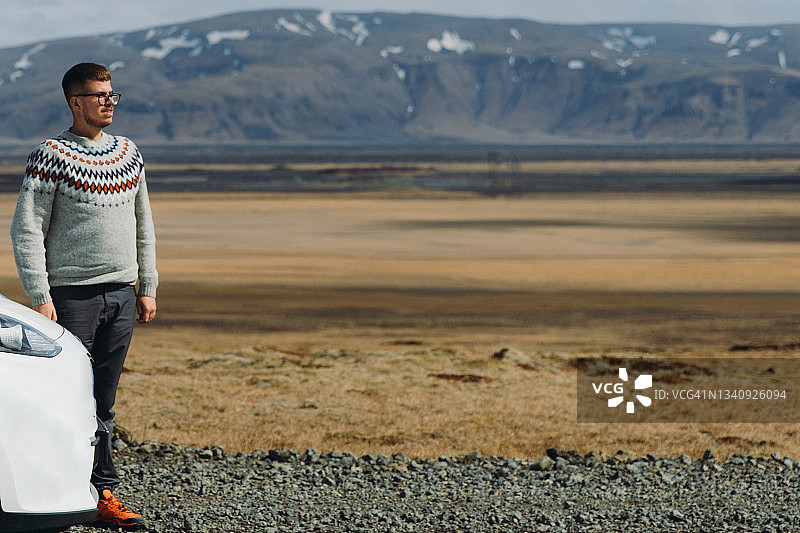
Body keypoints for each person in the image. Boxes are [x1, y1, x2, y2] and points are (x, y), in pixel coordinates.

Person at [10, 62, 157, 530]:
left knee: (104, 400)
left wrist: (146, 285)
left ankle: (102, 492)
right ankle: (56, 490)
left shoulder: (129, 153)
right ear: (76, 102)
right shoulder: (50, 155)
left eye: (113, 94)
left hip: (120, 294)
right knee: (68, 399)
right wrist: (39, 296)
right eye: (99, 95)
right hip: (71, 297)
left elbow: (143, 222)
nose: (109, 101)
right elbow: (26, 228)